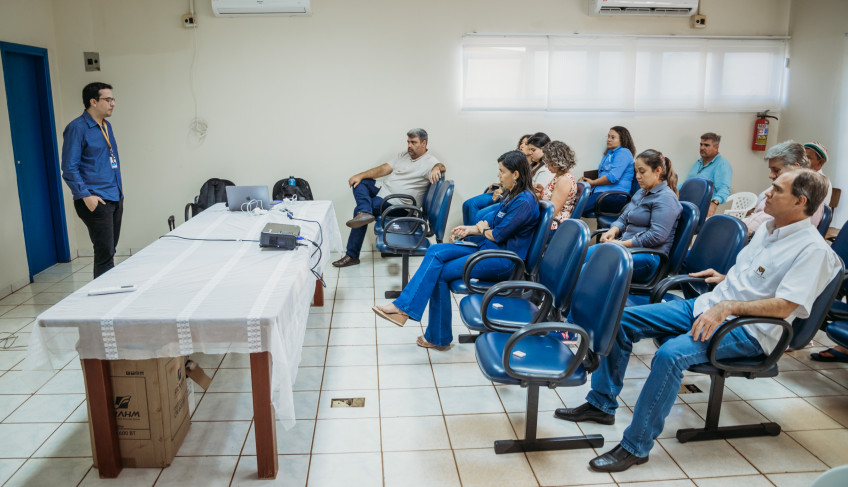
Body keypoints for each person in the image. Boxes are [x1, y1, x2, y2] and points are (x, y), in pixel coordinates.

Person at [556, 168, 839, 473]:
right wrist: (726, 279)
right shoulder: (770, 228)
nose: (767, 193)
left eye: (776, 190)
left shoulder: (813, 250)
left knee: (670, 355)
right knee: (622, 320)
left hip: (749, 330)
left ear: (800, 201)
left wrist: (730, 305)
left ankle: (636, 446)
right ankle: (601, 403)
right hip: (712, 305)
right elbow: (760, 278)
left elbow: (785, 305)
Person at [371, 150, 540, 350]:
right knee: (435, 251)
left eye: (502, 171)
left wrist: (484, 229)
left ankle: (429, 330)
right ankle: (406, 311)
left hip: (502, 260)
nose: (499, 175)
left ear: (516, 174)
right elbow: (489, 225)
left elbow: (497, 234)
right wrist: (471, 229)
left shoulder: (525, 202)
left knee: (438, 272)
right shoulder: (513, 196)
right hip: (486, 248)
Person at [332, 128, 446, 268]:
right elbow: (384, 169)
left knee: (358, 210)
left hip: (398, 204)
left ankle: (352, 255)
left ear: (424, 143)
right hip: (384, 190)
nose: (409, 145)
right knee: (359, 182)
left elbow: (441, 166)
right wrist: (360, 175)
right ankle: (365, 212)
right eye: (408, 142)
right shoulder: (404, 155)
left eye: (413, 142)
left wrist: (437, 168)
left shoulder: (430, 161)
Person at [61, 82, 124, 279]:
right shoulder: (77, 128)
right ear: (93, 102)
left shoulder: (106, 126)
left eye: (113, 99)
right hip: (95, 199)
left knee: (110, 251)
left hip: (114, 195)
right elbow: (69, 167)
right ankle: (103, 303)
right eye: (108, 99)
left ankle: (108, 292)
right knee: (104, 255)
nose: (113, 103)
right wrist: (86, 196)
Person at [594, 149, 681, 283]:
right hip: (628, 248)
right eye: (636, 171)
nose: (638, 176)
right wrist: (613, 230)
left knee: (589, 269)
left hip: (647, 256)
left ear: (658, 171)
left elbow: (656, 236)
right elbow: (624, 217)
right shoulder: (642, 192)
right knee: (578, 256)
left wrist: (622, 244)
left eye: (642, 171)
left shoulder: (666, 198)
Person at [742, 140, 824, 237]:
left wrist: (753, 234)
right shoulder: (776, 188)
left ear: (795, 167)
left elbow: (791, 236)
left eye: (776, 170)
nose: (770, 175)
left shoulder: (806, 196)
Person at [462, 134, 531, 225]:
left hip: (507, 197)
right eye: (521, 143)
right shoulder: (517, 162)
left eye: (526, 144)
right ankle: (467, 235)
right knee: (468, 204)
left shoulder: (524, 198)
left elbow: (499, 234)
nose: (522, 146)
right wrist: (500, 186)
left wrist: (502, 189)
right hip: (507, 195)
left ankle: (469, 236)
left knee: (478, 217)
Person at [580, 126, 637, 217]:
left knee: (577, 209)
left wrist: (593, 183)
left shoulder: (624, 152)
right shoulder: (610, 154)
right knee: (573, 203)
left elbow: (612, 177)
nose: (609, 140)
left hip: (614, 196)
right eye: (608, 136)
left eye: (613, 137)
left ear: (622, 139)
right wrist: (586, 181)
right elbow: (603, 172)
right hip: (603, 194)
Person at [680, 133, 732, 218]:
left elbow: (724, 189)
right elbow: (686, 184)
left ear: (716, 147)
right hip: (687, 204)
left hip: (702, 209)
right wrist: (672, 190)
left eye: (706, 145)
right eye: (701, 144)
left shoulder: (722, 164)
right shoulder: (698, 163)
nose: (702, 148)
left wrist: (714, 203)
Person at [539, 141, 578, 236]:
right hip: (552, 222)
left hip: (554, 226)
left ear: (557, 161)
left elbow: (552, 211)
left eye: (549, 162)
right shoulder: (559, 176)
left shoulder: (564, 180)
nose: (546, 165)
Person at [805, 141, 832, 207]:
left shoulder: (821, 182)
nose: (802, 160)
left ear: (820, 162)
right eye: (802, 157)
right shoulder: (804, 175)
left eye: (808, 158)